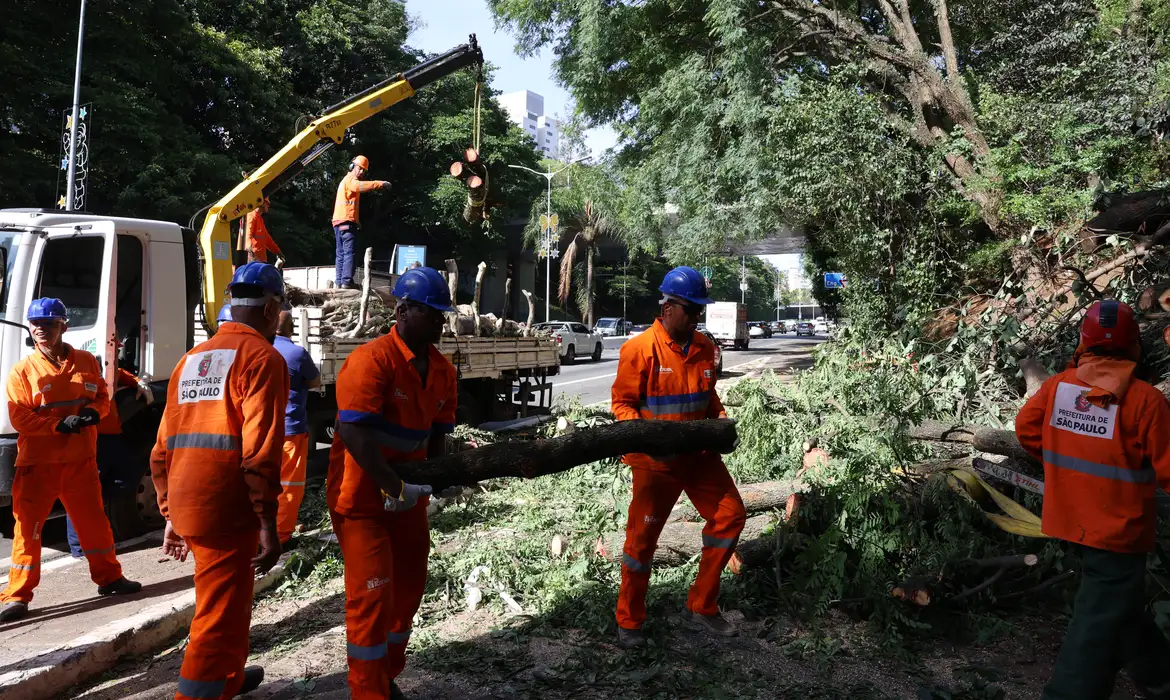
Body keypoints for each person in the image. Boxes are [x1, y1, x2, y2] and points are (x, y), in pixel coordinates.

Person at [1016, 300, 1170, 700]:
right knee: (1097, 620)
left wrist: (1067, 465)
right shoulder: (1146, 402)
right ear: (1134, 343)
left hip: (1070, 519)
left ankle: (1160, 676)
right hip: (1119, 531)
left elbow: (1026, 430)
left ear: (1082, 343)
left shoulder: (1057, 387)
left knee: (1119, 607)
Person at [151, 262, 289, 699]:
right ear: (271, 309)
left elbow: (162, 448)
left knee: (231, 600)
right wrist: (268, 523)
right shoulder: (262, 359)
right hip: (227, 508)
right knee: (217, 613)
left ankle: (227, 680)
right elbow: (260, 452)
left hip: (191, 502)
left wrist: (171, 512)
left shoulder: (191, 359)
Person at [328, 266, 456, 699]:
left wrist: (443, 477)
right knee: (372, 596)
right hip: (363, 498)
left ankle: (385, 676)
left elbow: (438, 435)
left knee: (409, 589)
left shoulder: (442, 370)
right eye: (431, 314)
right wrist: (393, 487)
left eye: (441, 315)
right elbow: (354, 433)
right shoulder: (372, 360)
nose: (440, 323)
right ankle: (368, 692)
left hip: (408, 499)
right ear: (402, 311)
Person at [609, 266, 746, 649]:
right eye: (691, 310)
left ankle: (701, 605)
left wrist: (720, 422)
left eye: (700, 310)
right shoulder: (639, 349)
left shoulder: (704, 348)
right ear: (667, 307)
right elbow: (622, 405)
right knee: (641, 544)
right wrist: (649, 439)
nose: (696, 317)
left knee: (731, 515)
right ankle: (629, 621)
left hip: (698, 457)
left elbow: (708, 397)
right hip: (656, 464)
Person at [0, 298, 141, 623]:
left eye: (48, 323)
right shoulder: (23, 371)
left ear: (63, 326)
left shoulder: (86, 361)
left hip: (80, 462)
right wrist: (57, 425)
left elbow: (102, 396)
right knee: (29, 530)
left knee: (94, 524)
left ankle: (109, 578)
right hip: (38, 466)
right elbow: (19, 417)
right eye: (36, 324)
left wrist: (94, 412)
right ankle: (17, 596)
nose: (41, 329)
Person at [65, 364, 154, 557]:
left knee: (118, 485)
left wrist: (138, 382)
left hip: (111, 436)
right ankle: (80, 549)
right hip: (90, 438)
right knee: (83, 494)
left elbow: (120, 373)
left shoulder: (101, 369)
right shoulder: (75, 373)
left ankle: (96, 540)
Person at [273, 310, 322, 546]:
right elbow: (315, 381)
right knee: (289, 486)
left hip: (260, 430)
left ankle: (259, 535)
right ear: (291, 328)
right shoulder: (296, 353)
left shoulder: (258, 348)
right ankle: (281, 537)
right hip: (290, 430)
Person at [332, 155, 389, 289]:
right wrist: (380, 184)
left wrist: (356, 221)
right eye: (360, 168)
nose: (362, 172)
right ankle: (346, 282)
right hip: (346, 222)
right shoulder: (351, 180)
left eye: (364, 170)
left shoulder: (344, 181)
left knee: (341, 253)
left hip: (338, 222)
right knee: (349, 253)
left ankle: (339, 282)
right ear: (352, 166)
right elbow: (359, 187)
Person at [243, 199, 284, 267]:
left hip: (260, 260)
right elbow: (248, 235)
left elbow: (268, 240)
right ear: (262, 203)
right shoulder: (251, 216)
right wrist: (250, 252)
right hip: (253, 260)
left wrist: (278, 252)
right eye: (267, 203)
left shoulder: (259, 219)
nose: (268, 206)